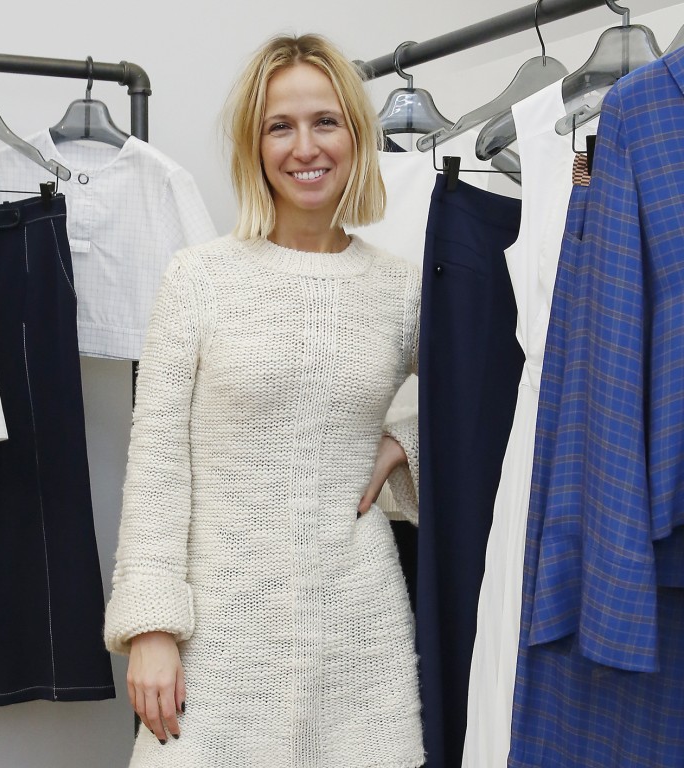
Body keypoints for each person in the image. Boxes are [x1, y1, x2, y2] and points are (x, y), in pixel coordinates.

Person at [104, 32, 424, 768]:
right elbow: (156, 465)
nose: (304, 146)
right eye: (280, 125)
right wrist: (152, 627)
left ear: (356, 135)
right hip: (218, 630)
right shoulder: (200, 278)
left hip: (357, 628)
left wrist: (401, 443)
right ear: (255, 143)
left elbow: (483, 402)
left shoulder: (403, 288)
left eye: (326, 122)